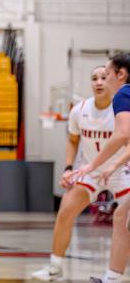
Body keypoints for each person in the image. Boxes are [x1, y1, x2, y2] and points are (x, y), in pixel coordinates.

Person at [31, 65, 129, 281]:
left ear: (113, 78)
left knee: (125, 219)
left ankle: (115, 273)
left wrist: (114, 165)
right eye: (94, 78)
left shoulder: (122, 108)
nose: (99, 82)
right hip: (90, 170)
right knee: (66, 209)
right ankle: (55, 268)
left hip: (120, 169)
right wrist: (68, 168)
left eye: (104, 77)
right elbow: (73, 141)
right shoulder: (79, 110)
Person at [69, 52, 130, 283]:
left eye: (107, 73)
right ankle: (113, 278)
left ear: (120, 74)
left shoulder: (124, 92)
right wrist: (114, 164)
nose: (103, 78)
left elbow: (122, 134)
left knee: (123, 216)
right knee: (122, 215)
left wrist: (92, 165)